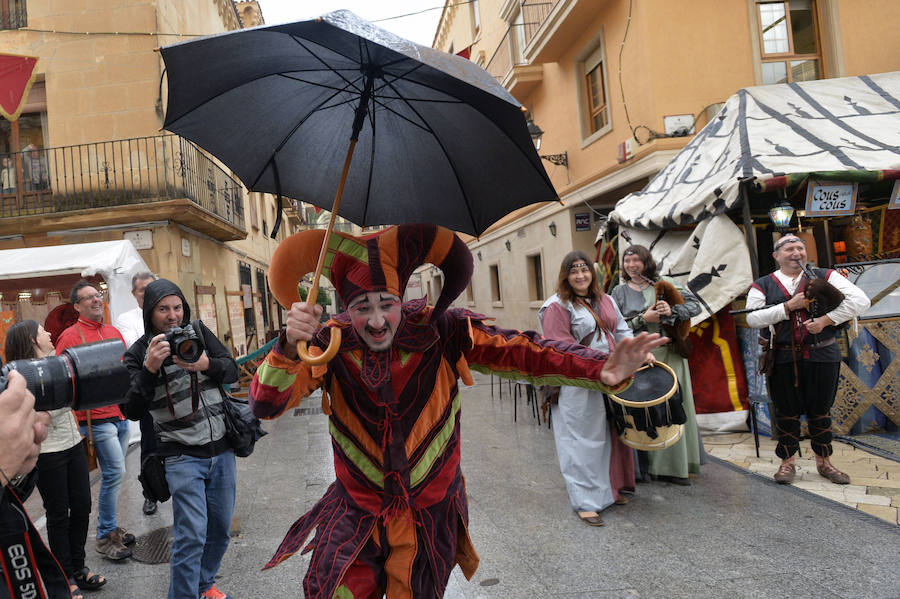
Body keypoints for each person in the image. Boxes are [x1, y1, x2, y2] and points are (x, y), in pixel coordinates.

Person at [249, 224, 666, 598]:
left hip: (428, 516)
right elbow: (266, 404)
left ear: (402, 297)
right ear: (345, 307)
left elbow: (524, 351)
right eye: (362, 307)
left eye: (386, 304)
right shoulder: (326, 343)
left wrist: (598, 367)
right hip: (355, 514)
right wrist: (287, 347)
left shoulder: (443, 330)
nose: (377, 321)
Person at [122, 279, 239, 599]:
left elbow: (232, 371)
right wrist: (149, 369)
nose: (172, 316)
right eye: (163, 309)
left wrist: (206, 364)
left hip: (222, 449)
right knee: (191, 535)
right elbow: (131, 410)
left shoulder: (199, 332)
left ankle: (203, 584)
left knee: (220, 531)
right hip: (180, 455)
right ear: (150, 312)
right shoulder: (136, 354)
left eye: (177, 308)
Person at [745, 234, 870, 485]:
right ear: (776, 256)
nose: (796, 253)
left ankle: (825, 463)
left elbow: (861, 301)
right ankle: (787, 463)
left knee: (820, 411)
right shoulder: (763, 285)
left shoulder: (826, 276)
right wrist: (788, 306)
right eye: (789, 249)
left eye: (800, 248)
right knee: (786, 412)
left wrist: (826, 320)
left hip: (822, 353)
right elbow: (752, 318)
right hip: (781, 356)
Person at [538, 251, 645, 527]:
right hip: (576, 383)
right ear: (566, 276)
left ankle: (609, 491)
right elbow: (560, 348)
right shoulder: (556, 307)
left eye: (584, 270)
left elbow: (621, 331)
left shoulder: (605, 299)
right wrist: (597, 366)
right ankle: (585, 501)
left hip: (609, 379)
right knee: (579, 442)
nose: (580, 275)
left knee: (608, 435)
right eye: (574, 271)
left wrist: (637, 353)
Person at [4, 321, 105, 598]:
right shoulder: (20, 374)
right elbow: (47, 407)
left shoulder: (58, 362)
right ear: (31, 339)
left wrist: (50, 409)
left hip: (73, 443)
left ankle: (80, 567)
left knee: (83, 505)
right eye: (42, 331)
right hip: (47, 452)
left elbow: (62, 402)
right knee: (59, 514)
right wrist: (52, 408)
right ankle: (66, 576)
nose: (49, 334)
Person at [55, 280, 135, 560]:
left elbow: (126, 369)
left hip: (120, 416)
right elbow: (64, 379)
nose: (96, 300)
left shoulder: (113, 331)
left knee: (115, 475)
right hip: (96, 420)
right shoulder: (69, 336)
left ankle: (110, 527)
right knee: (115, 473)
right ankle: (104, 535)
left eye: (97, 295)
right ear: (76, 306)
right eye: (88, 298)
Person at [611, 244, 703, 485]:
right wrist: (644, 318)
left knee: (673, 408)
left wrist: (672, 309)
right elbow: (613, 327)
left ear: (646, 262)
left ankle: (674, 467)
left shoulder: (665, 283)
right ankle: (644, 469)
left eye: (636, 260)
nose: (631, 265)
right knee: (644, 412)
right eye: (627, 261)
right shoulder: (618, 292)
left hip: (670, 355)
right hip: (640, 358)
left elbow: (695, 306)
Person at [114, 271, 159, 516]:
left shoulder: (167, 312)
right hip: (147, 389)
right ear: (134, 294)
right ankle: (150, 494)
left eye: (151, 287)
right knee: (150, 445)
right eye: (142, 289)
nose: (147, 293)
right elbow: (136, 349)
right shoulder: (126, 319)